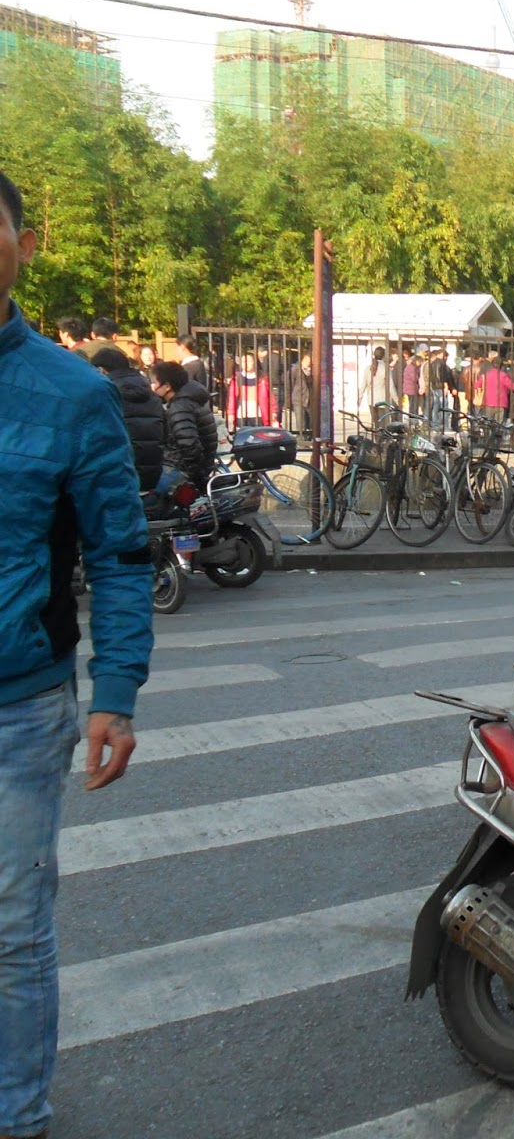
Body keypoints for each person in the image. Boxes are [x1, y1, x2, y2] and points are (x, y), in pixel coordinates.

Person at [0, 168, 152, 1139]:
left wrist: (117, 690)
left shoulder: (73, 395)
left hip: (19, 709)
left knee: (11, 929)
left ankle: (17, 1114)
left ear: (22, 247)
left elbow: (122, 555)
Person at [87, 345, 166, 493]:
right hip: (153, 472)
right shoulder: (151, 392)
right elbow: (166, 430)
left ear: (102, 370)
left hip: (119, 473)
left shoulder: (105, 393)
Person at [151, 359, 218, 489]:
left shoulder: (180, 407)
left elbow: (189, 445)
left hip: (180, 469)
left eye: (155, 383)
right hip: (197, 467)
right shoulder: (192, 398)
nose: (152, 387)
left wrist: (198, 478)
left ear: (167, 386)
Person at [227, 351, 274, 431]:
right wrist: (231, 412)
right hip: (241, 413)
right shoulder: (237, 378)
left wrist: (273, 411)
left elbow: (270, 396)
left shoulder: (262, 378)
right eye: (243, 361)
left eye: (248, 361)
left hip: (258, 413)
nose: (246, 364)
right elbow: (232, 397)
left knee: (258, 434)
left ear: (255, 362)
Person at [358, 345, 395, 429]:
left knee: (376, 425)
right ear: (384, 356)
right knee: (384, 426)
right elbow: (391, 387)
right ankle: (382, 437)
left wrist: (360, 397)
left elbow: (363, 384)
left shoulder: (368, 368)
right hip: (383, 401)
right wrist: (397, 401)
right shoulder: (385, 368)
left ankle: (377, 437)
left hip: (371, 400)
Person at [285, 353, 314, 437]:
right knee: (301, 424)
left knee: (312, 423)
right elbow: (288, 386)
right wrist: (288, 402)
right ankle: (301, 439)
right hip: (298, 399)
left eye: (311, 361)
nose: (309, 362)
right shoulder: (294, 370)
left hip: (311, 400)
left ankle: (309, 439)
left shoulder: (314, 370)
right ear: (303, 359)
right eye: (307, 360)